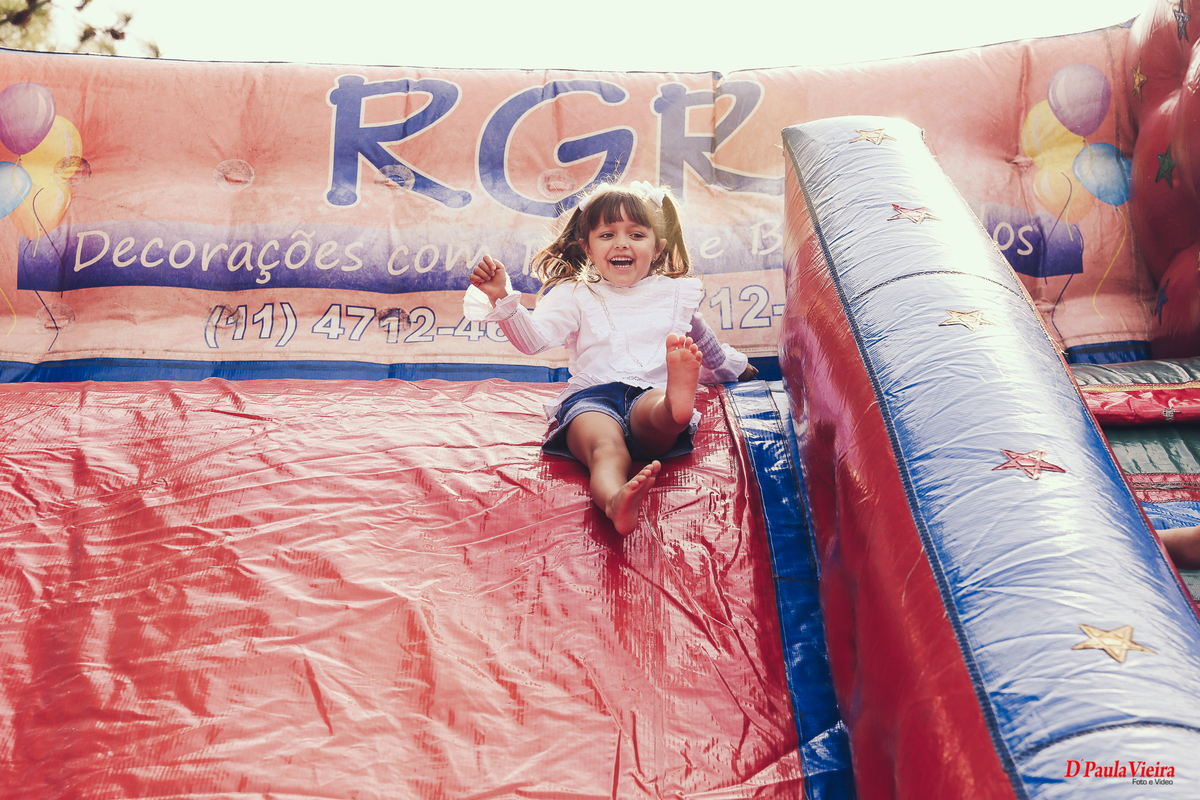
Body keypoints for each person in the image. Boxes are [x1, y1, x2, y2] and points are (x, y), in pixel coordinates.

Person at [464, 180, 756, 535]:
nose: (621, 243)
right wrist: (501, 298)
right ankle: (616, 498)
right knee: (605, 447)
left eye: (636, 234)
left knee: (655, 412)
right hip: (592, 399)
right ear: (587, 247)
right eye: (607, 235)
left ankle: (675, 408)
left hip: (648, 392)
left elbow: (703, 341)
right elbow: (534, 342)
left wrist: (731, 368)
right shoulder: (575, 293)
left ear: (658, 247)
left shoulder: (673, 293)